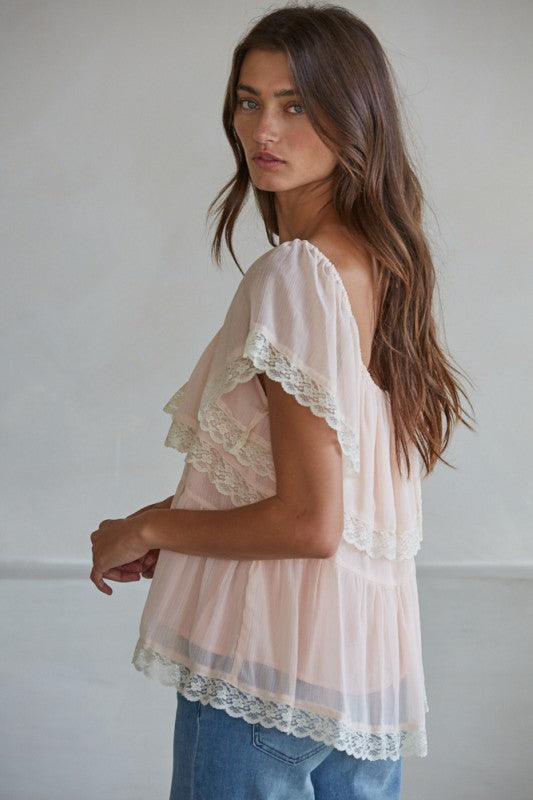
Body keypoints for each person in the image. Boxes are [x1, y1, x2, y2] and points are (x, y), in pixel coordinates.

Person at [90, 4, 475, 798]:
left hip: (265, 676)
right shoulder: (381, 265)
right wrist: (180, 524)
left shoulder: (299, 276)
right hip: (357, 689)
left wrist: (144, 527)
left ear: (354, 116)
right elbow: (322, 498)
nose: (263, 129)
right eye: (248, 100)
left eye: (296, 105)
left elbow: (309, 523)